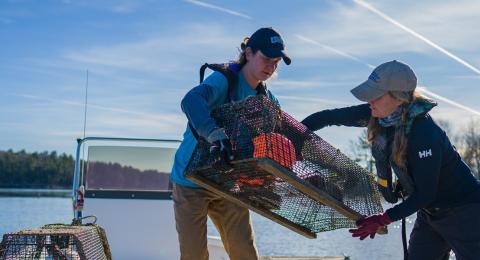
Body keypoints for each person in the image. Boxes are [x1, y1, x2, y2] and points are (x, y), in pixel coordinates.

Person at [301, 60, 480, 259]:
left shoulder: (424, 132)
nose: (369, 101)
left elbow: (425, 194)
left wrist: (383, 219)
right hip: (430, 214)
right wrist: (293, 136)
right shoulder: (377, 113)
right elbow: (327, 117)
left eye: (375, 95)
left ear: (398, 97)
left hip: (466, 212)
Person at [170, 27, 291, 260]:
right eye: (266, 58)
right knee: (194, 254)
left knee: (245, 253)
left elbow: (283, 138)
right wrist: (215, 135)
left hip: (228, 185)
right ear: (248, 53)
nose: (271, 66)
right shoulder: (224, 80)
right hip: (190, 180)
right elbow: (191, 100)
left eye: (276, 61)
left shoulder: (266, 101)